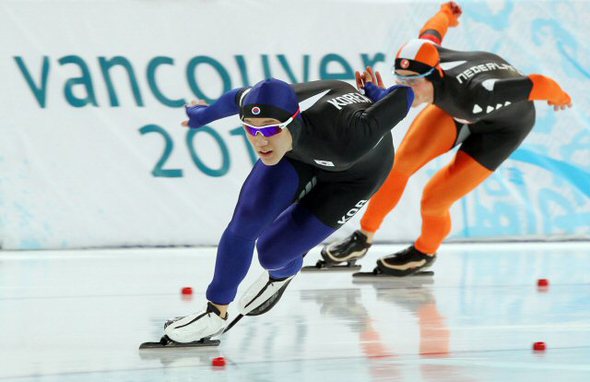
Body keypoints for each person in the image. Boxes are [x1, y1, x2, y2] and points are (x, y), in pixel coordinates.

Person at [321, 1, 572, 276]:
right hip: (454, 107)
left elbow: (541, 84)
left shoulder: (480, 94)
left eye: (412, 82)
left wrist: (561, 98)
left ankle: (424, 252)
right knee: (399, 165)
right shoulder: (426, 57)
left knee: (435, 199)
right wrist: (447, 14)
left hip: (501, 129)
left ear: (435, 74)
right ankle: (363, 238)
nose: (405, 89)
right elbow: (432, 31)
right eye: (400, 80)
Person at [162, 77, 414, 343]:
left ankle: (283, 273)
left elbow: (405, 96)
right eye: (250, 129)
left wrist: (379, 95)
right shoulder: (263, 106)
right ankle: (215, 313)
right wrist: (201, 116)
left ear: (292, 120)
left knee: (272, 254)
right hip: (297, 154)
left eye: (270, 130)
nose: (260, 141)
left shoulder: (355, 132)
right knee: (245, 223)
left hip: (355, 175)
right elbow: (236, 98)